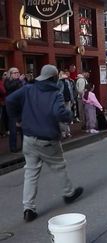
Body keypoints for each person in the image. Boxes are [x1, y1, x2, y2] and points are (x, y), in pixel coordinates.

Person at [6, 64, 83, 222]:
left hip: (28, 137)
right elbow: (58, 113)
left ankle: (28, 208)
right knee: (59, 166)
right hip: (47, 139)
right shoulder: (55, 93)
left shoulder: (28, 89)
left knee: (31, 173)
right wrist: (69, 115)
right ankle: (69, 193)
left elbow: (9, 100)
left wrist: (18, 119)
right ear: (54, 78)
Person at [4, 67, 25, 153]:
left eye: (18, 72)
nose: (17, 73)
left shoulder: (20, 82)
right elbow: (9, 88)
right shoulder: (7, 81)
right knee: (13, 127)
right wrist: (19, 80)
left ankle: (25, 145)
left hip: (21, 106)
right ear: (10, 74)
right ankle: (13, 147)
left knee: (23, 127)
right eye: (15, 72)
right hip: (12, 107)